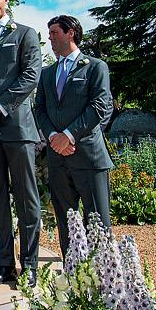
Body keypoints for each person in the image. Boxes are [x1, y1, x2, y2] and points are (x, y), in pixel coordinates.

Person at [0, 0, 42, 288]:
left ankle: (29, 265)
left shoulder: (25, 34)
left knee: (26, 198)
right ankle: (5, 264)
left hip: (17, 128)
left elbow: (30, 76)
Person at [34, 14, 113, 256]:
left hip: (88, 156)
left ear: (70, 33)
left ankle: (102, 271)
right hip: (57, 159)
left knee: (97, 221)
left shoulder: (95, 67)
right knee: (66, 220)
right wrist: (53, 137)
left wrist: (68, 136)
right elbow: (40, 109)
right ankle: (72, 269)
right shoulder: (47, 73)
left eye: (54, 33)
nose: (50, 38)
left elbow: (99, 106)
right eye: (49, 34)